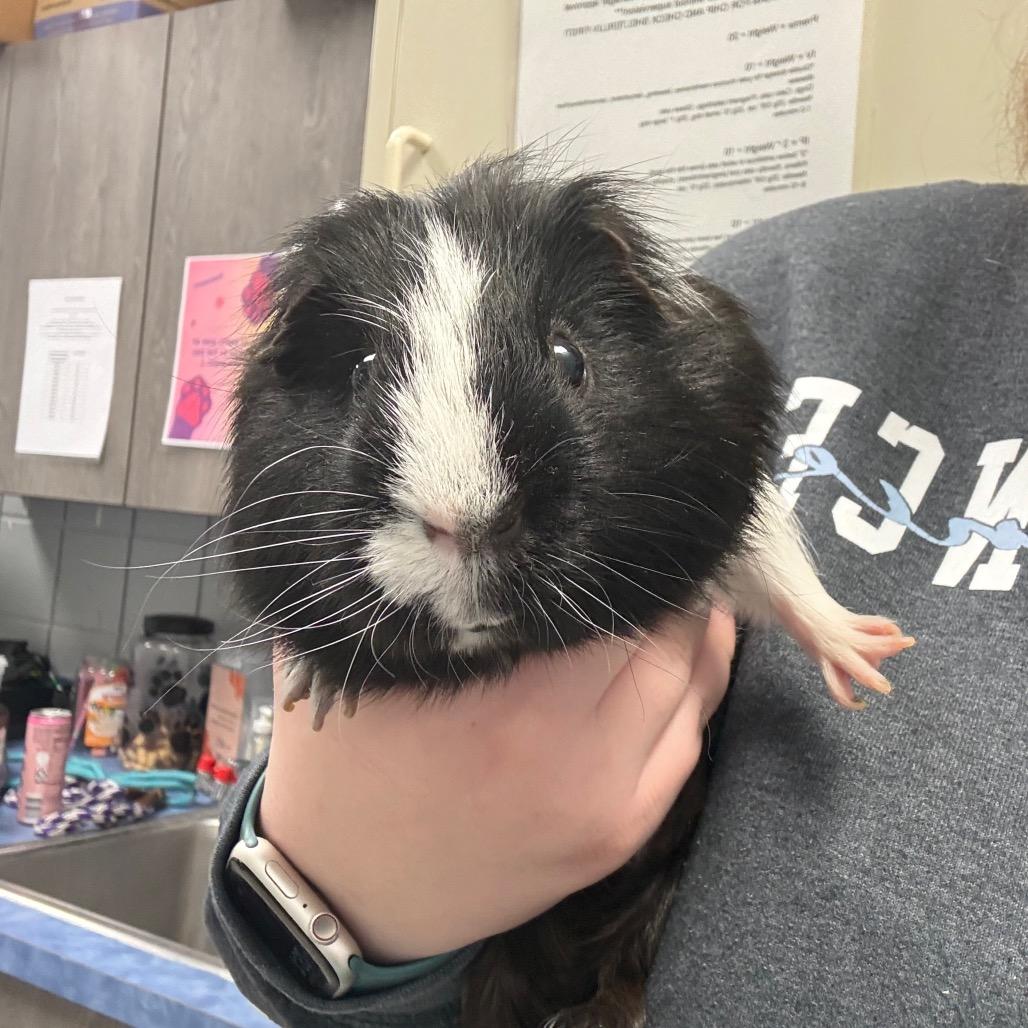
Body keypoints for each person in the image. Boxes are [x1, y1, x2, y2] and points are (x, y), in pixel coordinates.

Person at [206, 174, 1027, 1026]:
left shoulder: (710, 371)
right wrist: (329, 888)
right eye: (373, 376)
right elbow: (277, 947)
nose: (469, 515)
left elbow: (750, 522)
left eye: (564, 366)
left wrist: (815, 616)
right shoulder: (792, 275)